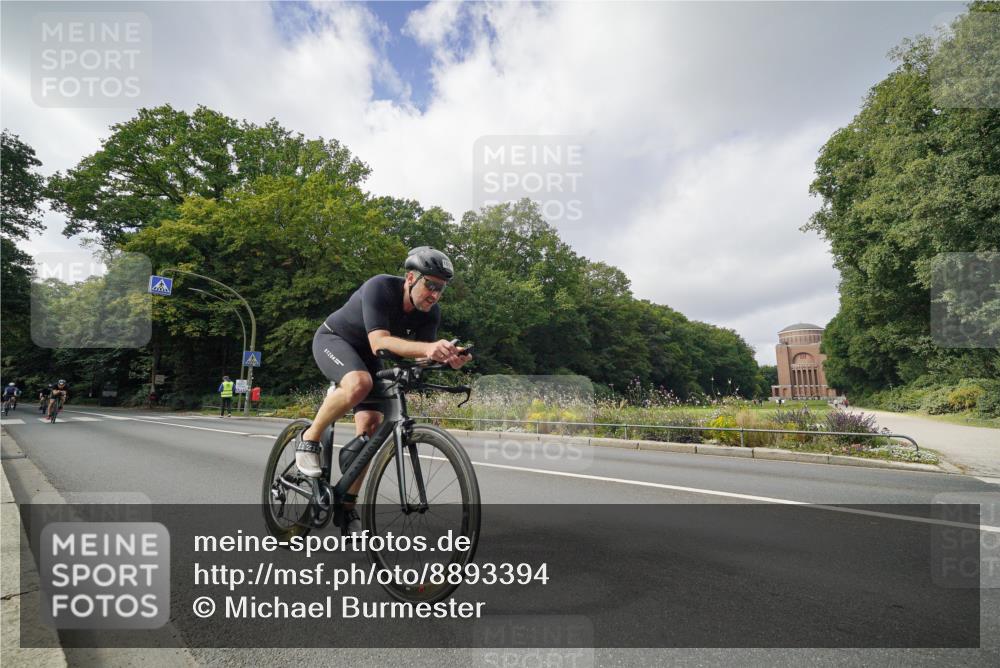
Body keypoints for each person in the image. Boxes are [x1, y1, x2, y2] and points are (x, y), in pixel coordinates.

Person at [295, 247, 472, 535]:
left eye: (441, 289)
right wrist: (429, 347)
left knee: (371, 428)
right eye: (430, 285)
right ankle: (309, 438)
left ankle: (347, 507)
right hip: (336, 341)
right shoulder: (381, 287)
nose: (435, 295)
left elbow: (420, 357)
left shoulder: (430, 313)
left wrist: (448, 358)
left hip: (370, 358)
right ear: (410, 278)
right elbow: (380, 342)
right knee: (358, 383)